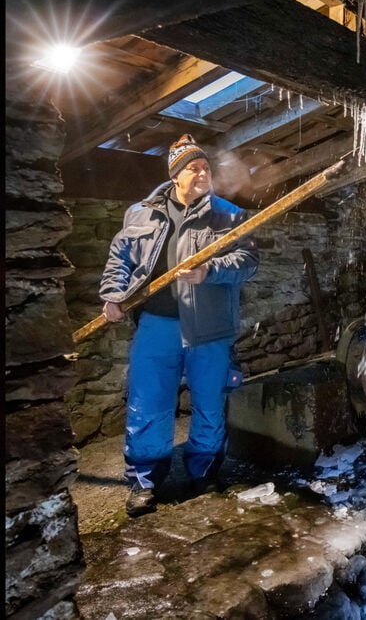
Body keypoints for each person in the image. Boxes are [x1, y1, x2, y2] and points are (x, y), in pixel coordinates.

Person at [99, 134, 259, 516]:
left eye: (206, 166)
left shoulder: (228, 214)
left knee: (208, 401)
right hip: (156, 324)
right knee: (147, 402)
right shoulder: (140, 213)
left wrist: (211, 270)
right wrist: (112, 294)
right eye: (193, 167)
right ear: (175, 176)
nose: (203, 172)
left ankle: (203, 471)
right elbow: (120, 257)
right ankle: (144, 480)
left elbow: (249, 262)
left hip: (211, 326)